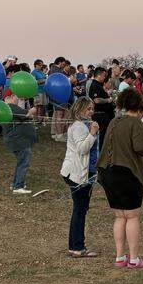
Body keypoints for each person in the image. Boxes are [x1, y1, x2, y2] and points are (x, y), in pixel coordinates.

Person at [98, 88, 143, 269]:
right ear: (138, 105)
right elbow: (139, 147)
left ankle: (120, 257)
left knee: (119, 216)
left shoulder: (114, 121)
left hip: (108, 172)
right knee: (132, 216)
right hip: (127, 173)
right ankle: (134, 259)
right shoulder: (135, 122)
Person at [60, 97, 99, 257]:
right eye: (88, 108)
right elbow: (82, 149)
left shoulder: (83, 125)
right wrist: (92, 133)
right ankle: (77, 247)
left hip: (85, 172)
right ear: (80, 109)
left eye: (92, 108)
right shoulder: (78, 126)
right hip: (77, 174)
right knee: (80, 210)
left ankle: (75, 246)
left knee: (81, 209)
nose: (91, 111)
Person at [3, 92, 39, 194]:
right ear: (11, 97)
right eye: (17, 97)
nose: (18, 99)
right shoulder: (11, 107)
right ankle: (18, 186)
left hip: (16, 140)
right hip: (19, 141)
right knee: (23, 163)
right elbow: (27, 114)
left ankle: (16, 183)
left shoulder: (6, 109)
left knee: (21, 162)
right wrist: (33, 109)